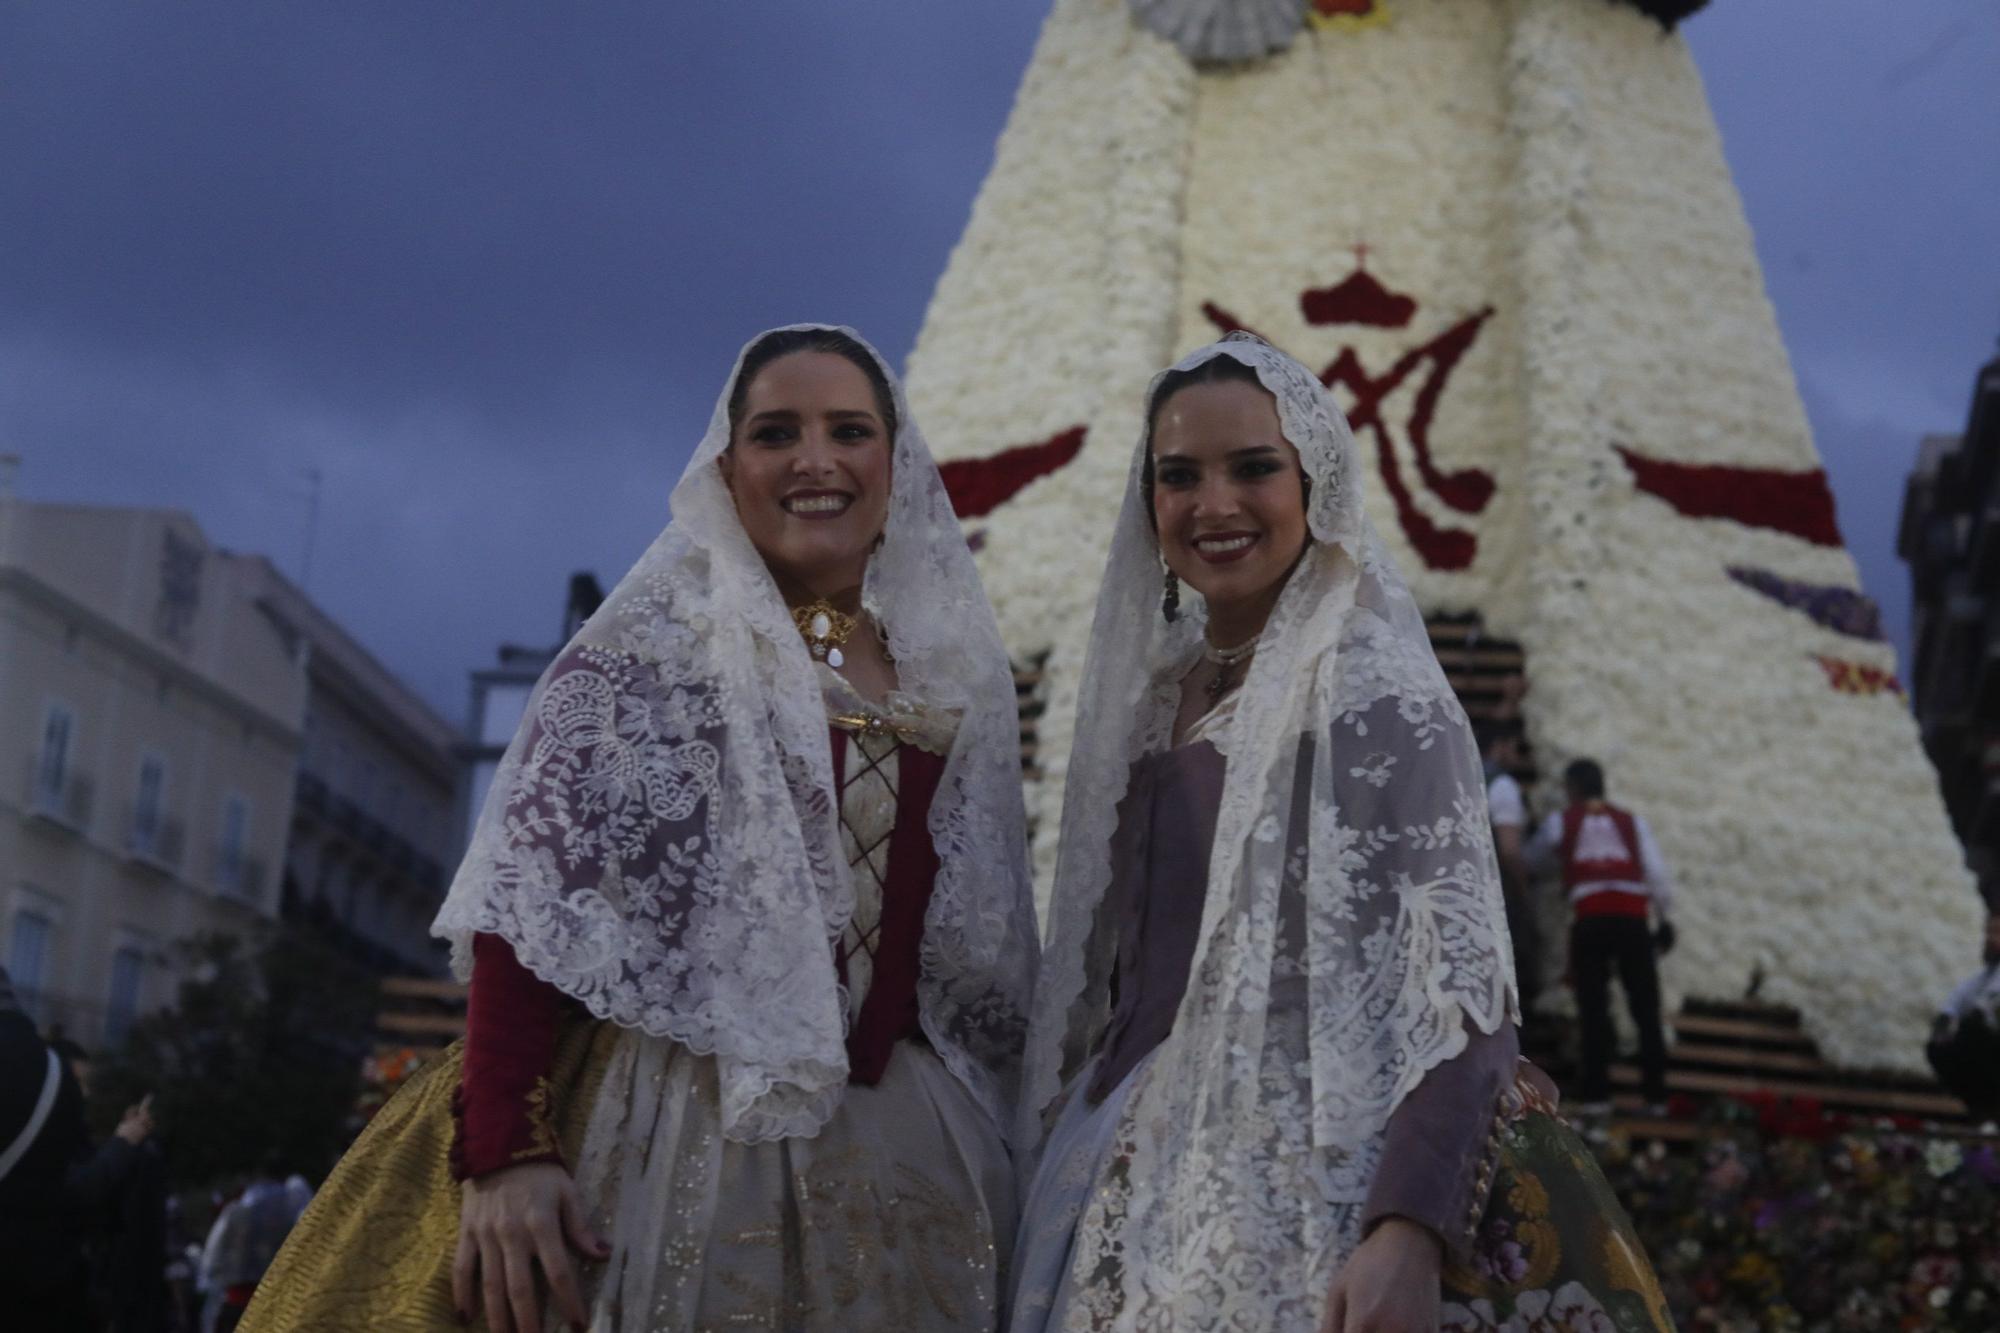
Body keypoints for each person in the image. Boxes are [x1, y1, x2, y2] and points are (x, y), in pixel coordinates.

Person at [243, 325, 1038, 1333]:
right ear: (725, 465)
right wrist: (506, 1151)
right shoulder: (642, 657)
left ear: (895, 462)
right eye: (775, 432)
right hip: (679, 1139)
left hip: (909, 1155)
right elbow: (528, 914)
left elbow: (974, 965)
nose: (814, 460)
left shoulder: (938, 676)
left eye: (849, 430)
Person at [1007, 334, 1672, 1333]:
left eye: (1253, 468)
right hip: (1122, 1173)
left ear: (1315, 479)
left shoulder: (1372, 684)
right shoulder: (1155, 694)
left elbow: (1457, 987)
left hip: (1305, 1189)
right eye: (1177, 476)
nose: (1213, 504)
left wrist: (1406, 1231)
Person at [1526, 759, 1676, 1114]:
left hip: (1590, 917)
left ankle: (1597, 1096)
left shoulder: (1562, 821)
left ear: (1572, 788)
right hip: (1633, 918)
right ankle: (1656, 1097)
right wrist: (1665, 918)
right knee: (1645, 1007)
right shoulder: (1631, 822)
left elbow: (1534, 861)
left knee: (1592, 1006)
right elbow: (1656, 873)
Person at [1478, 719, 1539, 1014]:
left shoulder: (1458, 775)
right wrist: (1524, 892)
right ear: (1499, 747)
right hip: (1496, 895)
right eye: (1514, 747)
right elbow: (1510, 850)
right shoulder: (1502, 785)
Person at [1925, 904, 2000, 1117]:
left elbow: (1988, 1005)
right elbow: (1959, 997)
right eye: (1989, 932)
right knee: (1938, 1049)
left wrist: (1976, 1016)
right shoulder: (1986, 974)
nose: (1991, 938)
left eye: (1997, 932)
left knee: (1972, 1033)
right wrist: (1946, 1017)